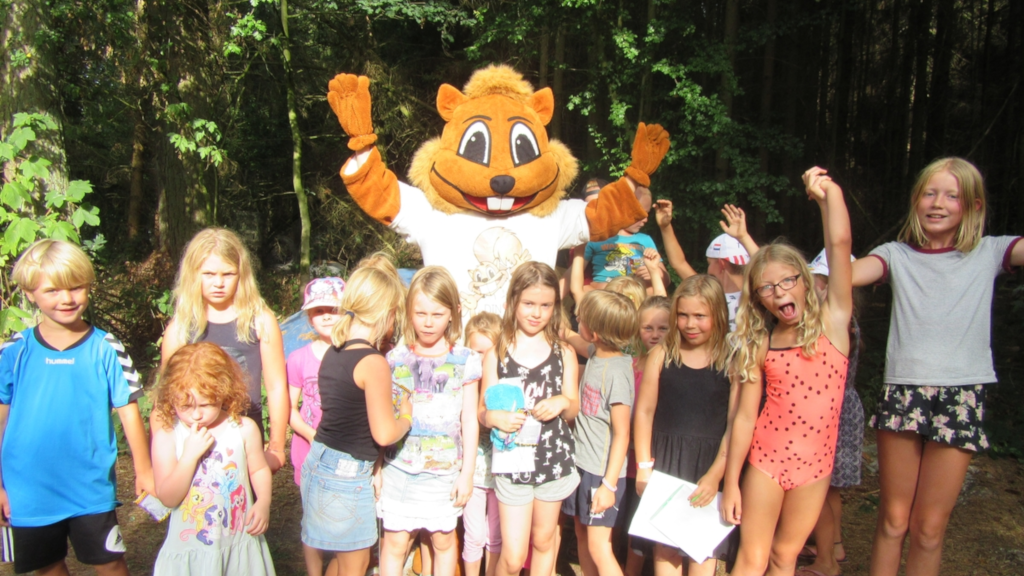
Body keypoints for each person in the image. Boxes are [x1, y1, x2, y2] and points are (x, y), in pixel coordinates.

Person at [849, 158, 1024, 576]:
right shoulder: (895, 255)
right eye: (929, 193)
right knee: (893, 520)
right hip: (904, 392)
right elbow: (845, 275)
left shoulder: (991, 251)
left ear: (973, 206)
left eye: (952, 195)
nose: (938, 203)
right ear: (915, 201)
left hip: (960, 395)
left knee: (929, 528)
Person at [721, 168, 853, 576]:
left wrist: (829, 194)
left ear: (805, 281)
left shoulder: (834, 321)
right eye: (766, 288)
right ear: (758, 297)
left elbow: (840, 242)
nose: (779, 293)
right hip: (765, 461)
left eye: (787, 282)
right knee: (752, 556)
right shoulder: (761, 342)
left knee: (785, 558)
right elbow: (744, 417)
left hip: (815, 466)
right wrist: (730, 481)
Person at [0, 239, 153, 576]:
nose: (66, 299)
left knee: (110, 563)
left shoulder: (106, 347)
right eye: (53, 290)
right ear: (29, 292)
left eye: (76, 287)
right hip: (28, 488)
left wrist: (144, 470)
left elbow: (129, 411)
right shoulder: (15, 351)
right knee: (46, 566)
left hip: (89, 485)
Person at [301, 266, 412, 576]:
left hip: (320, 461)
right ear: (387, 313)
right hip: (344, 477)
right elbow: (385, 433)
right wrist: (405, 415)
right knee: (356, 564)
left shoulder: (334, 352)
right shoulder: (373, 362)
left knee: (341, 560)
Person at [633, 275, 739, 576]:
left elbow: (735, 423)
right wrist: (643, 465)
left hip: (709, 465)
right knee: (664, 550)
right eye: (683, 315)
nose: (690, 324)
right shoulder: (661, 355)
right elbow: (644, 412)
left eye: (699, 316)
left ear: (717, 314)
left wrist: (716, 474)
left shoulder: (731, 361)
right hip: (665, 464)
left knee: (701, 551)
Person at [379, 267, 482, 576]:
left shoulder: (466, 360)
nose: (427, 321)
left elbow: (470, 419)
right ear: (409, 312)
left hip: (445, 475)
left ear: (454, 313)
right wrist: (376, 470)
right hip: (399, 469)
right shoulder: (395, 358)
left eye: (437, 314)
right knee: (395, 545)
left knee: (443, 542)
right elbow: (387, 415)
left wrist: (467, 474)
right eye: (420, 312)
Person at [480, 262, 579, 576]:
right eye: (529, 304)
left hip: (553, 461)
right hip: (512, 462)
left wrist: (562, 401)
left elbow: (574, 407)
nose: (537, 313)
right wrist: (494, 416)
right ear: (512, 303)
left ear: (555, 307)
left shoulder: (565, 353)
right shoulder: (497, 353)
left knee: (544, 541)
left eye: (546, 305)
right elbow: (482, 412)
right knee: (512, 556)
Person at [161, 228, 289, 472]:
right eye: (208, 273)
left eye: (228, 274)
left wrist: (276, 447)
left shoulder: (260, 320)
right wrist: (158, 459)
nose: (218, 283)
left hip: (245, 440)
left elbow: (276, 387)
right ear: (193, 274)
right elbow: (165, 397)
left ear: (241, 275)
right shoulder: (181, 328)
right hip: (192, 443)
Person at [150, 342, 275, 574]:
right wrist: (189, 456)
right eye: (185, 405)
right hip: (191, 548)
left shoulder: (242, 429)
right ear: (170, 396)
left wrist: (264, 501)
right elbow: (168, 497)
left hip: (237, 543)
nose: (196, 414)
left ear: (224, 392)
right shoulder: (167, 437)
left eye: (207, 404)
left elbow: (258, 469)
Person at [796, 250, 863, 576]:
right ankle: (832, 546)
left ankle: (829, 554)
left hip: (830, 413)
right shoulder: (832, 318)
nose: (813, 286)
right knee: (827, 488)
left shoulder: (836, 320)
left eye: (819, 281)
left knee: (822, 488)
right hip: (828, 411)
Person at [562, 290, 638, 576]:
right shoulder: (596, 352)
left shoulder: (618, 372)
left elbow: (622, 434)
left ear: (594, 331)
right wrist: (561, 328)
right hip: (582, 465)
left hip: (602, 474)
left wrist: (609, 485)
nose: (577, 321)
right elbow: (576, 341)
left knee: (599, 547)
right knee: (581, 535)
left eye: (579, 319)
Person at [287, 277, 346, 576]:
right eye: (318, 310)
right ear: (309, 316)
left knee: (341, 519)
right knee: (312, 518)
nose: (325, 315)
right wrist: (313, 436)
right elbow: (289, 409)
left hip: (345, 455)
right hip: (308, 453)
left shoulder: (352, 354)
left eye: (333, 309)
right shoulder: (297, 359)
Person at [623, 294, 672, 576]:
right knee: (634, 527)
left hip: (659, 459)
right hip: (630, 462)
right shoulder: (631, 364)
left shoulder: (673, 369)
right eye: (648, 328)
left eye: (662, 328)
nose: (654, 335)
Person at [654, 201, 758, 330]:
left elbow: (679, 264)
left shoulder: (709, 295)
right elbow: (766, 267)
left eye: (709, 263)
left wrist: (665, 228)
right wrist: (666, 227)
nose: (707, 269)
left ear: (721, 264)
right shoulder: (757, 294)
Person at [463, 312, 504, 576]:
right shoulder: (464, 385)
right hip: (473, 474)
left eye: (487, 352)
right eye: (475, 352)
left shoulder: (506, 384)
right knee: (474, 535)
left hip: (500, 474)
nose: (481, 359)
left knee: (496, 535)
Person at [574, 186, 668, 296]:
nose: (646, 219)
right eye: (641, 213)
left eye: (647, 213)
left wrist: (656, 272)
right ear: (621, 208)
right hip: (604, 300)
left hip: (635, 297)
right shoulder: (596, 238)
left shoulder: (645, 240)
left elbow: (666, 281)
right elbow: (575, 276)